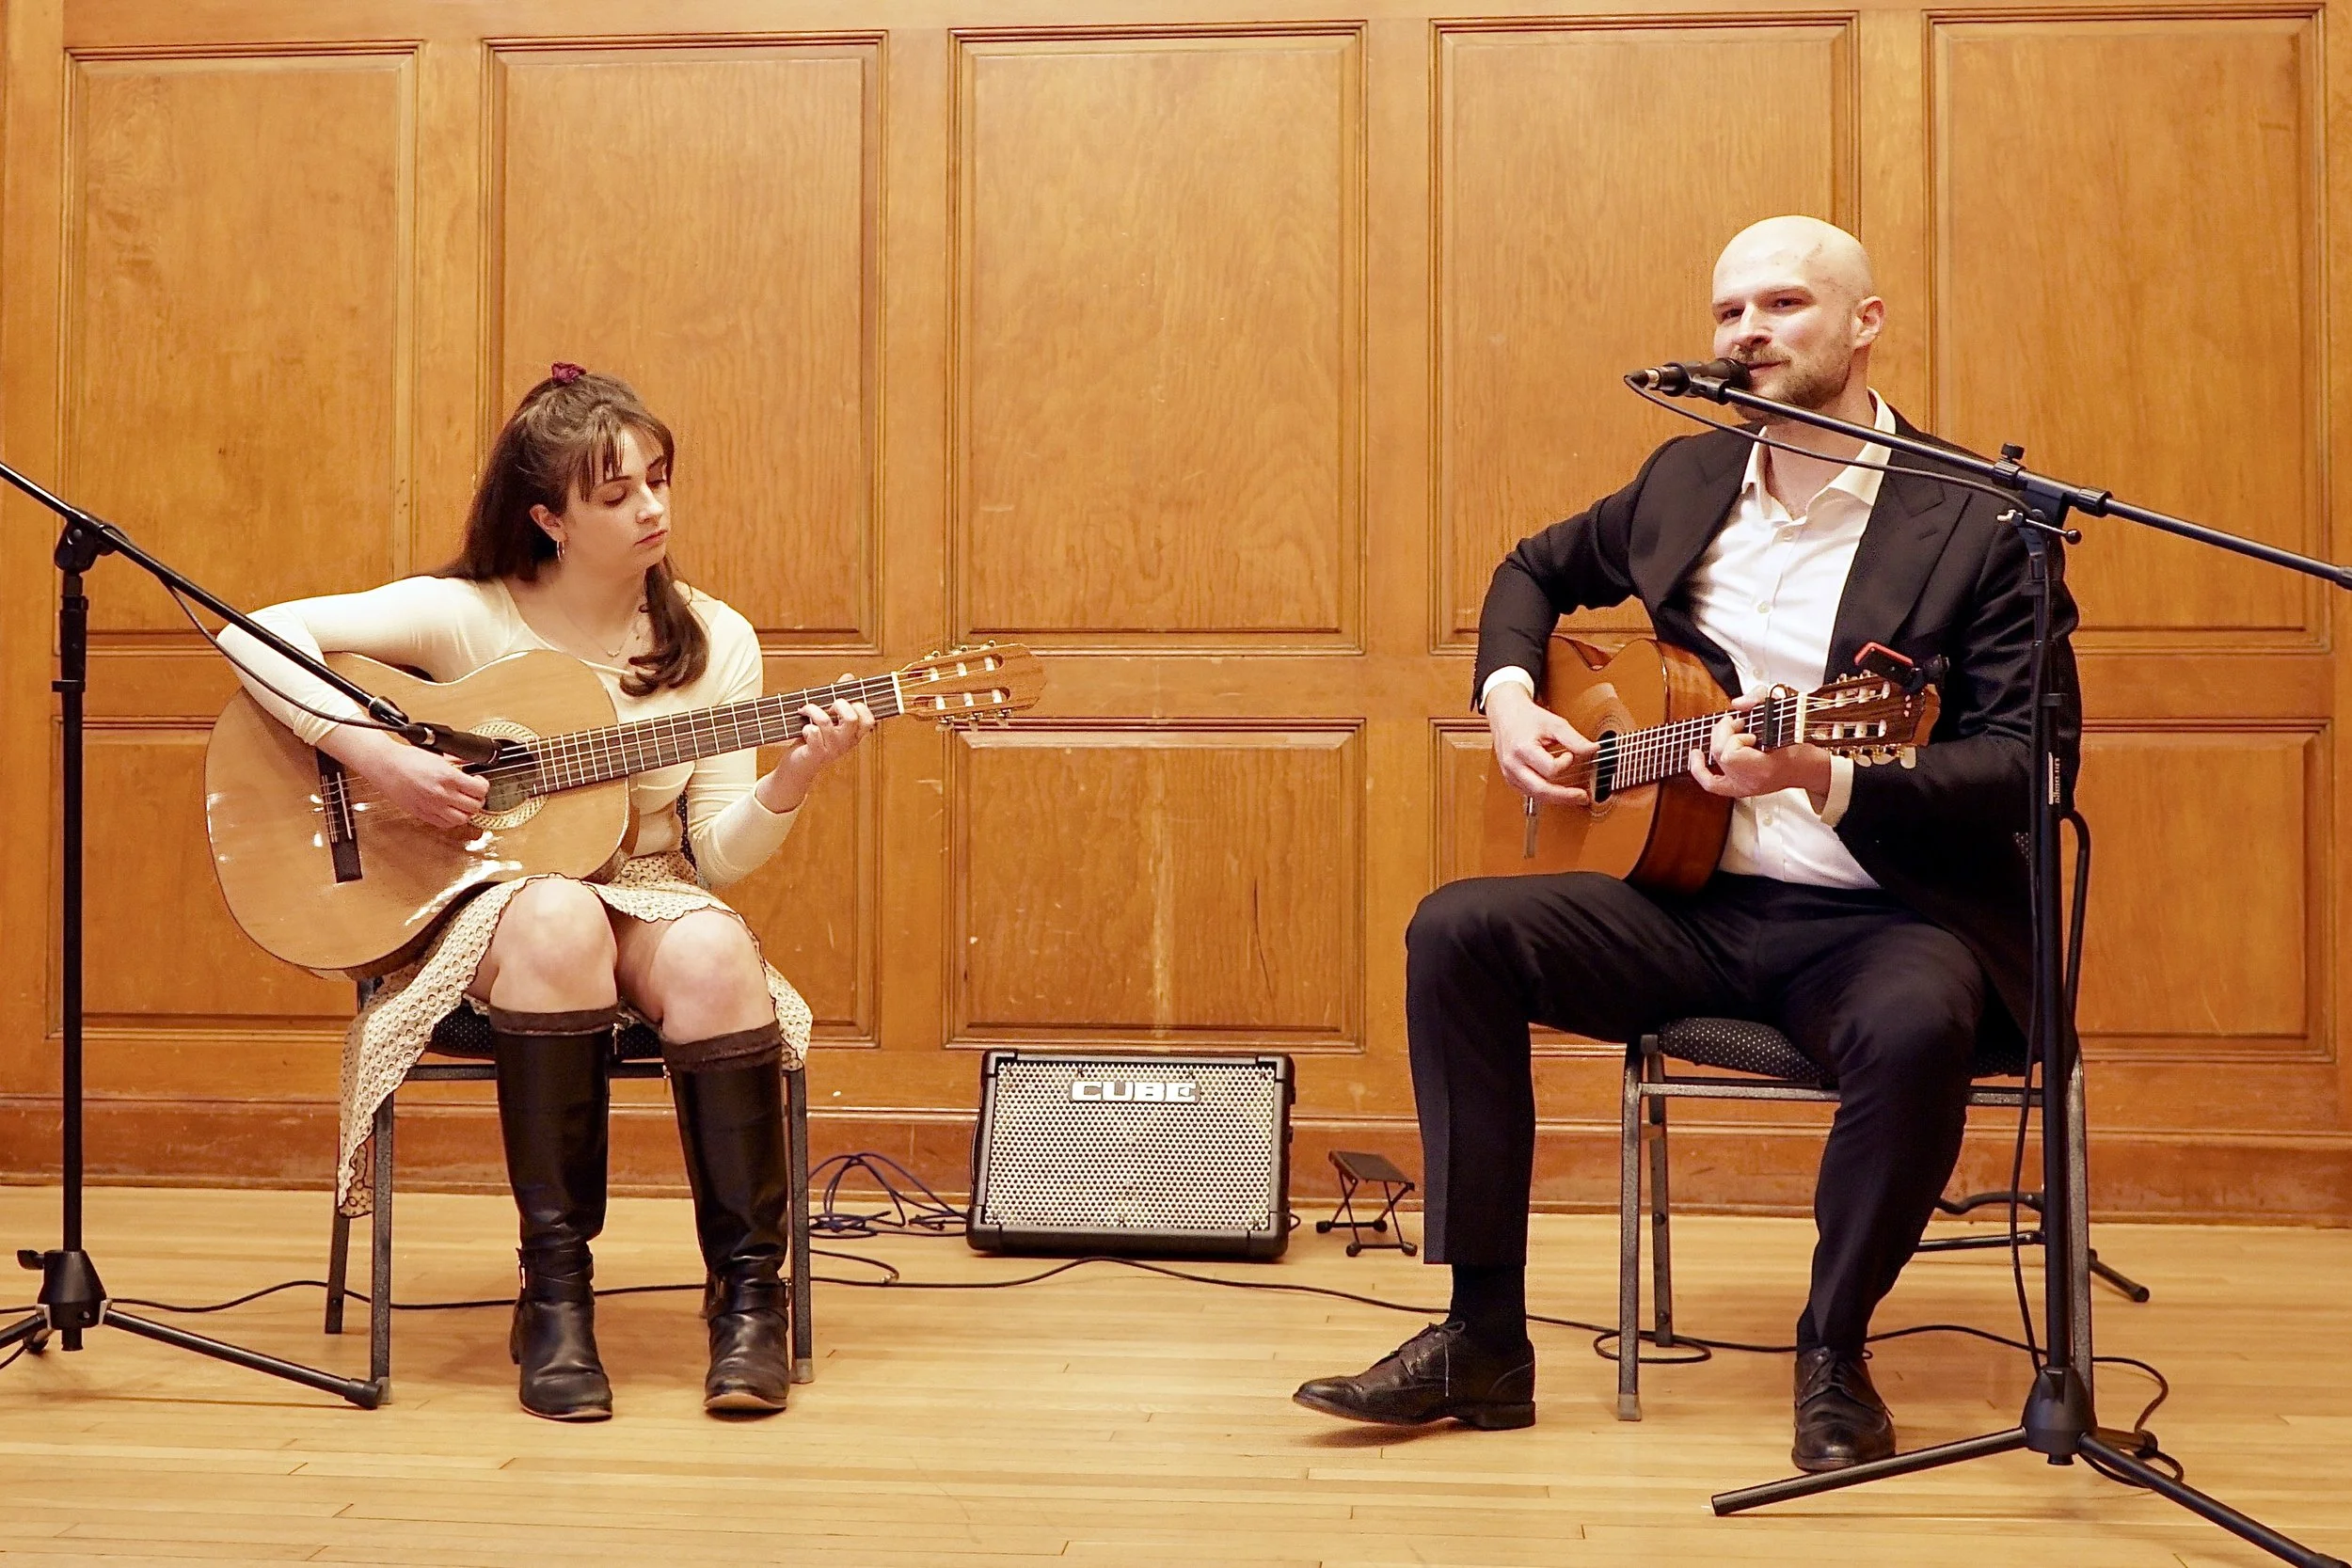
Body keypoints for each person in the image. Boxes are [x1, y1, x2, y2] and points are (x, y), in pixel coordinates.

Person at [1293, 217, 2080, 1470]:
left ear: (1864, 322)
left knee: (1919, 1019)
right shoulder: (1686, 482)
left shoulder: (1978, 521)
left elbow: (2028, 765)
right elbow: (1531, 569)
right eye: (1728, 314)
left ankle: (1833, 1347)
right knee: (1459, 928)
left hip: (1886, 918)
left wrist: (1826, 767)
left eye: (1782, 304)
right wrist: (1508, 696)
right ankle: (1482, 1335)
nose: (1747, 333)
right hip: (1690, 900)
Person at [221, 364, 871, 1421]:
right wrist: (368, 753)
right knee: (558, 910)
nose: (652, 507)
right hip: (490, 899)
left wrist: (795, 772)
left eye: (658, 479)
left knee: (713, 946)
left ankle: (750, 1297)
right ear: (549, 517)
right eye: (615, 494)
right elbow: (251, 631)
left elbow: (712, 856)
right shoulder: (465, 618)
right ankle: (557, 1298)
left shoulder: (715, 642)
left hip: (647, 887)